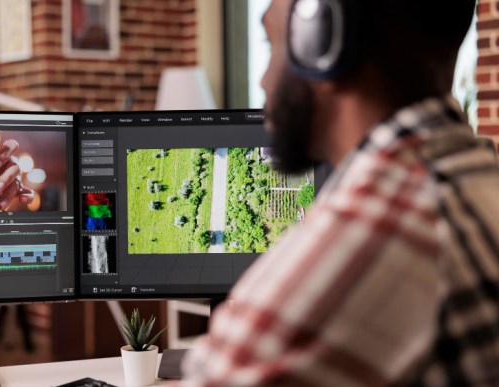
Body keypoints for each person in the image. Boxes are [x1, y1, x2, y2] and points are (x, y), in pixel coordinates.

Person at [180, 1, 499, 386]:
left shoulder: (373, 233)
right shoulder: (475, 179)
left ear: (322, 40)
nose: (263, 80)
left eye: (269, 42)